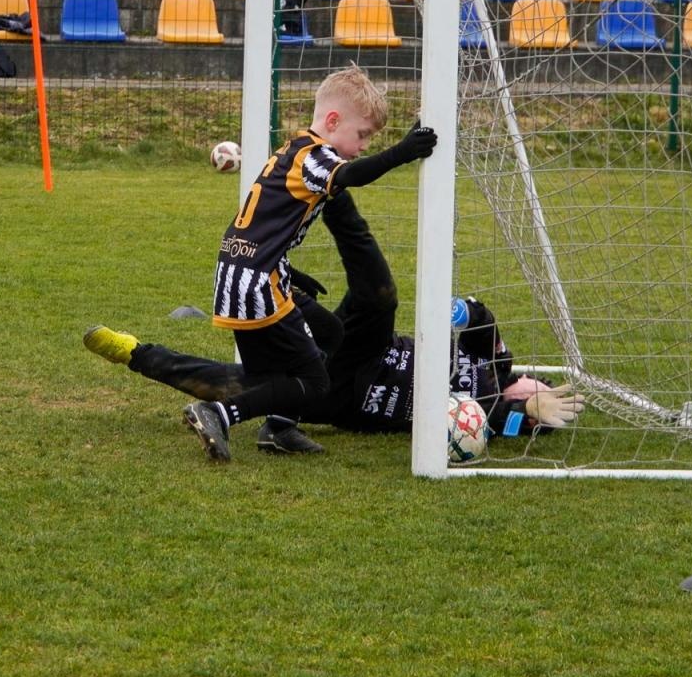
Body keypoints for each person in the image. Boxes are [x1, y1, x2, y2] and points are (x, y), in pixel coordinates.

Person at [91, 66, 435, 462]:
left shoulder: (293, 149)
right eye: (362, 136)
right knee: (314, 382)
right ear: (334, 121)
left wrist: (282, 264)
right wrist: (402, 153)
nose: (361, 147)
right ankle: (218, 413)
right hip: (256, 283)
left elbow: (259, 222)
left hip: (249, 272)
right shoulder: (315, 157)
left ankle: (279, 427)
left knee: (329, 331)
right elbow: (353, 174)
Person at [82, 191, 585, 454]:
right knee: (378, 296)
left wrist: (523, 416)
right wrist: (453, 309)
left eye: (544, 401)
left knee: (227, 383)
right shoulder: (497, 364)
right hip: (372, 350)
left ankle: (133, 352)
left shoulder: (483, 419)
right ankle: (335, 195)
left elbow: (491, 426)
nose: (542, 389)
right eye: (545, 388)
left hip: (344, 400)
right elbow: (481, 319)